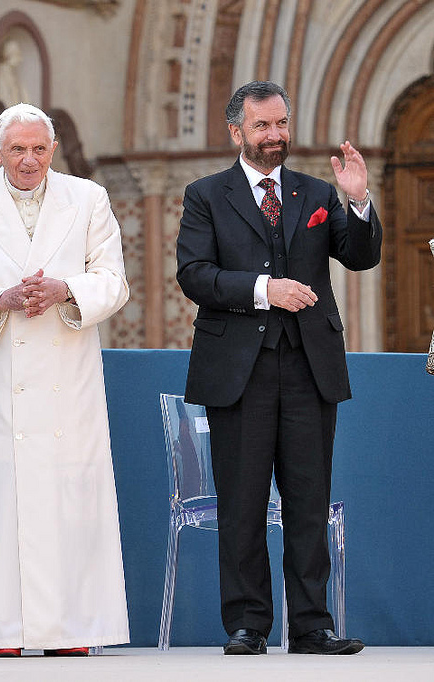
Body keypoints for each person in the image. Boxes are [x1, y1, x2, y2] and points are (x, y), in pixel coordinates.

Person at [176, 81, 380, 656]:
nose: (275, 136)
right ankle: (247, 626)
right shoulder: (205, 195)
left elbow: (361, 257)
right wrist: (266, 290)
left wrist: (358, 201)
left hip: (310, 369)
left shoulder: (316, 192)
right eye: (262, 127)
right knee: (241, 502)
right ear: (237, 132)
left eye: (282, 124)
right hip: (237, 371)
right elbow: (194, 275)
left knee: (309, 502)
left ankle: (313, 627)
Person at [0, 102, 131, 657]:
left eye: (39, 149)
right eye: (17, 149)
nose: (29, 159)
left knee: (69, 509)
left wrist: (66, 290)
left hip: (69, 379)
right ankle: (2, 634)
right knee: (2, 511)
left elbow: (113, 280)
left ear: (53, 150)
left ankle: (73, 633)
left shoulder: (88, 198)